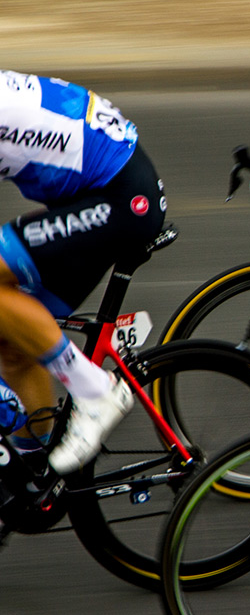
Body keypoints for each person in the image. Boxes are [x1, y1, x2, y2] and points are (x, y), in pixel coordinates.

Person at [0, 69, 166, 475]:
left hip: (122, 200)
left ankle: (96, 391)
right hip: (99, 195)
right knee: (14, 345)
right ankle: (34, 471)